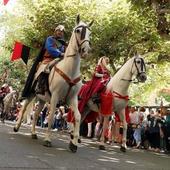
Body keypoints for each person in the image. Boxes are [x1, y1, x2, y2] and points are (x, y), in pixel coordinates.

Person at [21, 25, 67, 100]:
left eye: (62, 32)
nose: (60, 32)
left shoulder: (63, 44)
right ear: (55, 31)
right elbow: (50, 48)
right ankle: (40, 87)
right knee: (45, 69)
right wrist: (60, 53)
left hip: (59, 60)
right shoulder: (50, 39)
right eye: (59, 31)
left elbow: (65, 52)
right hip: (48, 60)